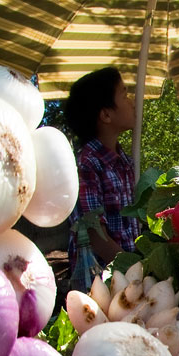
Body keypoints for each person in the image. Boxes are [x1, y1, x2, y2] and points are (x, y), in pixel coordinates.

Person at [64, 66, 139, 268]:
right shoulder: (87, 164)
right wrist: (134, 269)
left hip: (127, 275)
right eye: (124, 95)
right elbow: (95, 234)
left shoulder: (125, 162)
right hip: (98, 280)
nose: (132, 103)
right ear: (106, 115)